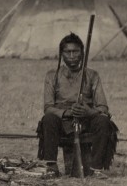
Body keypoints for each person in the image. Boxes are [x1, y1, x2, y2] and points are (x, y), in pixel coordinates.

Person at [37, 32, 118, 176]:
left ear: (82, 53)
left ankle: (96, 169)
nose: (72, 56)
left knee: (104, 121)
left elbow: (103, 107)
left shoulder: (92, 75)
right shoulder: (52, 76)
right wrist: (67, 113)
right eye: (68, 52)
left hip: (86, 120)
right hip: (62, 122)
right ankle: (51, 167)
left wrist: (89, 112)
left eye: (76, 51)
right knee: (48, 119)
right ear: (61, 54)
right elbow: (48, 107)